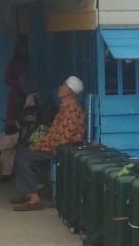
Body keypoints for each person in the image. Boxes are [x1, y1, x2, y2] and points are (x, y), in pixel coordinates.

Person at [11, 75, 87, 212]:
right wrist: (39, 144)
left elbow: (63, 140)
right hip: (54, 147)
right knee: (21, 151)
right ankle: (29, 193)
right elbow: (53, 135)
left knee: (25, 159)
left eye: (63, 85)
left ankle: (34, 199)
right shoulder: (64, 109)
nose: (60, 87)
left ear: (70, 91)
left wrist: (40, 146)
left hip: (62, 151)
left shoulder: (72, 112)